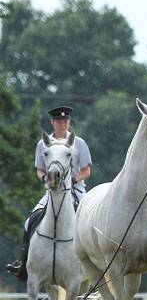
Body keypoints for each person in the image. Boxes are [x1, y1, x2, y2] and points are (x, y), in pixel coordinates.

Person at [6, 106, 93, 281]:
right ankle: (23, 263)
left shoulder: (79, 143)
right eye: (59, 121)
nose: (63, 124)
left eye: (66, 121)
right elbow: (39, 169)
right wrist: (45, 178)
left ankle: (94, 260)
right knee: (30, 221)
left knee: (89, 221)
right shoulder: (43, 144)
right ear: (53, 122)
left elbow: (87, 170)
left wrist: (74, 180)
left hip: (75, 190)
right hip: (52, 191)